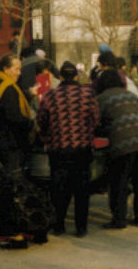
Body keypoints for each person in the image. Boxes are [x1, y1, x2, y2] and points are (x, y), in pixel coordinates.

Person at [36, 61, 100, 236]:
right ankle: (81, 227)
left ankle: (59, 225)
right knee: (81, 189)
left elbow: (41, 121)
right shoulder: (88, 94)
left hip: (58, 149)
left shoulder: (50, 96)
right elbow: (95, 120)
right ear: (77, 76)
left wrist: (46, 137)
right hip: (82, 149)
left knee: (59, 189)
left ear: (61, 77)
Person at [95, 68, 138, 228]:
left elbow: (95, 122)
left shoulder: (102, 98)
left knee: (118, 181)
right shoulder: (132, 96)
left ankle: (119, 219)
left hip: (122, 144)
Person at [0, 53, 34, 173]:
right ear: (6, 69)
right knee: (12, 176)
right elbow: (14, 116)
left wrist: (29, 94)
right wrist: (31, 124)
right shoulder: (7, 87)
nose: (19, 73)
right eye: (16, 69)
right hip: (9, 142)